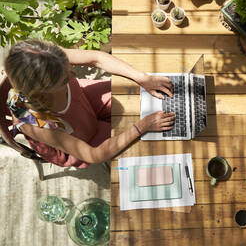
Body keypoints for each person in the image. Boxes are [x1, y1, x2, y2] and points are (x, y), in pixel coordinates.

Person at [4, 40, 175, 168]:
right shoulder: (34, 124)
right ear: (44, 89)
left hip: (82, 99)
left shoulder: (46, 58)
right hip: (78, 136)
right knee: (140, 144)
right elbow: (93, 154)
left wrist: (142, 78)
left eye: (68, 65)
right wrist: (141, 127)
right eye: (65, 78)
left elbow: (96, 59)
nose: (73, 73)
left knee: (135, 96)